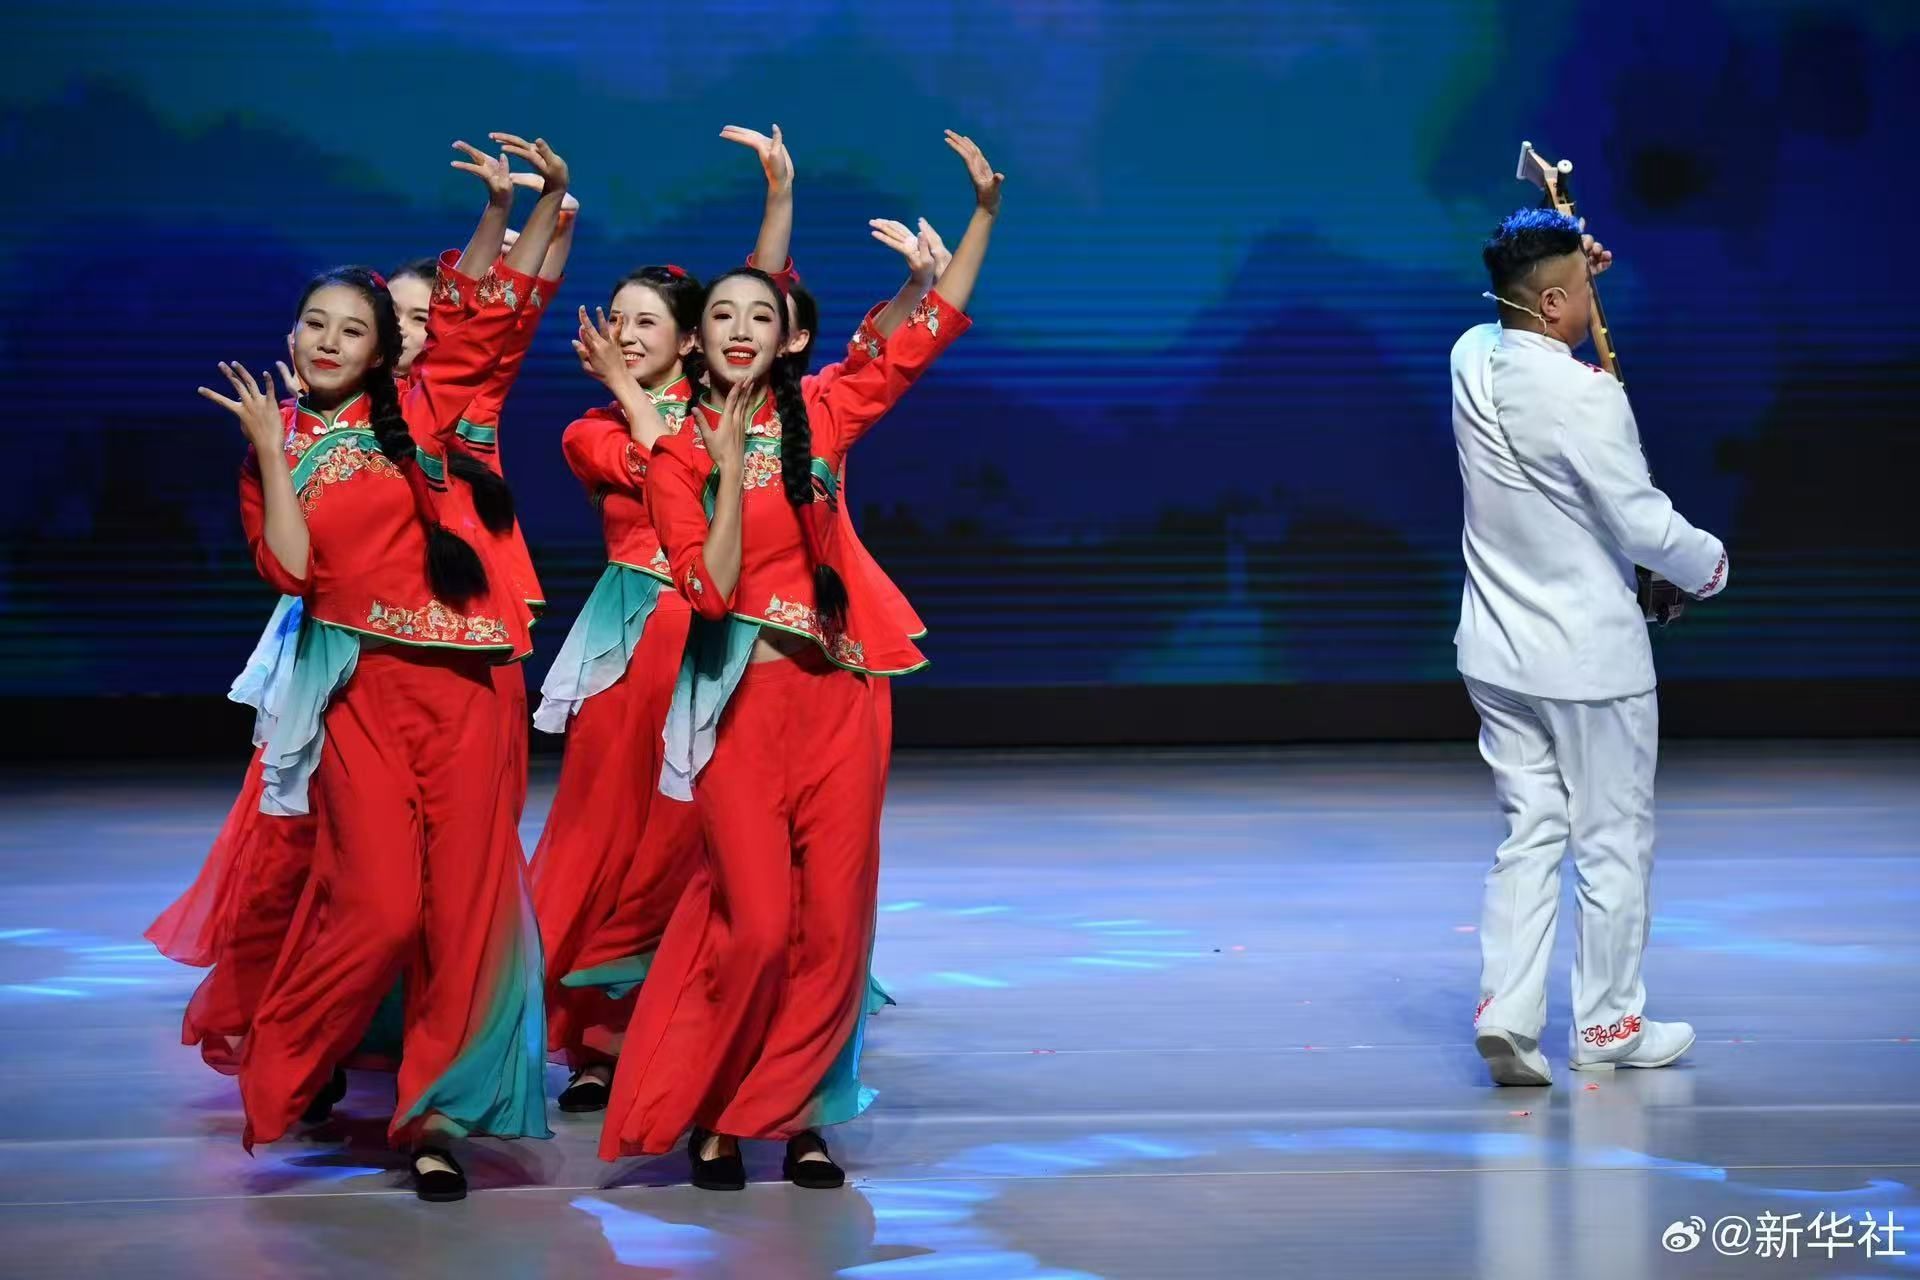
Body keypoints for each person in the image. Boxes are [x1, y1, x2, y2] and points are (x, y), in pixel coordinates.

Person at [598, 129, 1000, 1190]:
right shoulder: (672, 453)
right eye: (722, 316)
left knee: (832, 927)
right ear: (696, 341)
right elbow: (710, 589)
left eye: (760, 316)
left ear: (788, 339)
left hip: (841, 697)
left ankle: (797, 1116)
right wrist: (728, 473)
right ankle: (716, 1104)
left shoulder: (824, 411)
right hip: (739, 707)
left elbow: (927, 334)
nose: (740, 329)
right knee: (757, 926)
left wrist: (982, 217)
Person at [198, 135, 575, 1201]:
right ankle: (294, 1051)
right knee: (377, 908)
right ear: (292, 334)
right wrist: (271, 451)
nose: (329, 341)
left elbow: (487, 316)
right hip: (360, 694)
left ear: (383, 351)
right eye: (315, 324)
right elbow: (290, 568)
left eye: (352, 329)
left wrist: (524, 206)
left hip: (466, 692)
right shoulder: (280, 448)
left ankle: (436, 1116)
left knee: (461, 913)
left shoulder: (429, 408)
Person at [1451, 207, 1729, 1086]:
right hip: (1587, 661)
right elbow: (1641, 523)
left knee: (1530, 832)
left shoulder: (1469, 356)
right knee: (1611, 840)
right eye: (1582, 292)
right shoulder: (1586, 395)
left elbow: (1526, 310)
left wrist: (1572, 273)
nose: (1592, 305)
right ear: (1554, 304)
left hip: (1496, 652)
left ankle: (1507, 1012)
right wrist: (1710, 565)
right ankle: (1608, 1025)